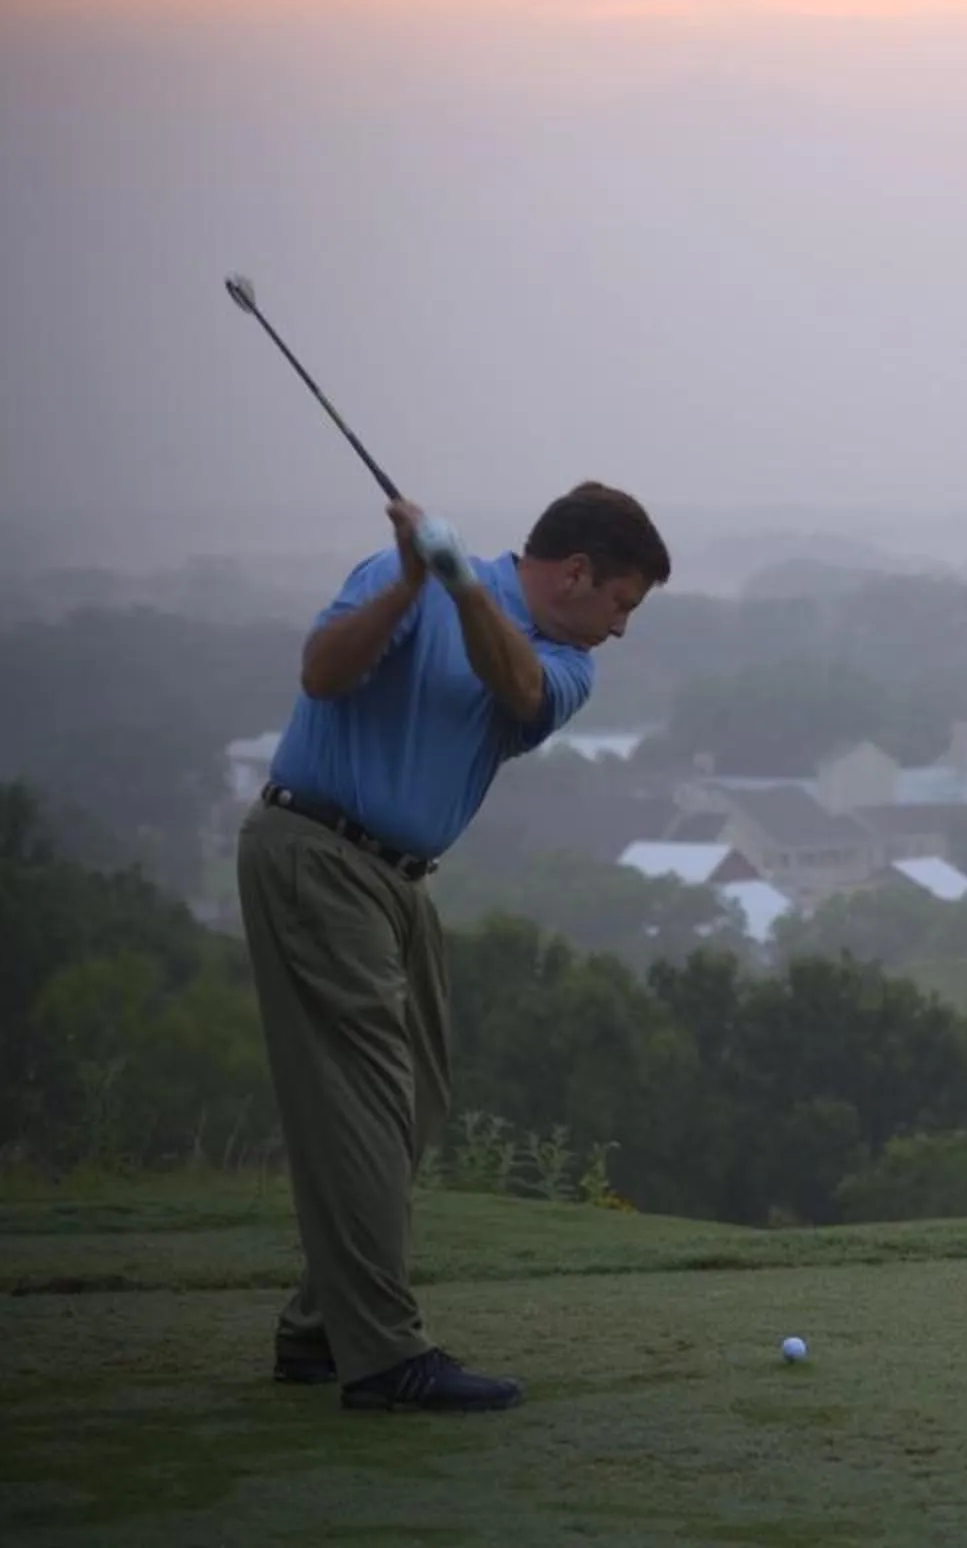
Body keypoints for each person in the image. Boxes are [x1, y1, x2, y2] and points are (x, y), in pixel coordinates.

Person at [238, 480, 669, 1412]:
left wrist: (459, 588)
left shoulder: (566, 664)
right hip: (315, 851)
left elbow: (515, 686)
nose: (622, 628)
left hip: (403, 880)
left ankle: (321, 1327)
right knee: (367, 1100)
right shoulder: (397, 578)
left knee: (416, 1102)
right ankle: (385, 1357)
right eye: (621, 603)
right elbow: (322, 675)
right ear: (577, 573)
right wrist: (407, 582)